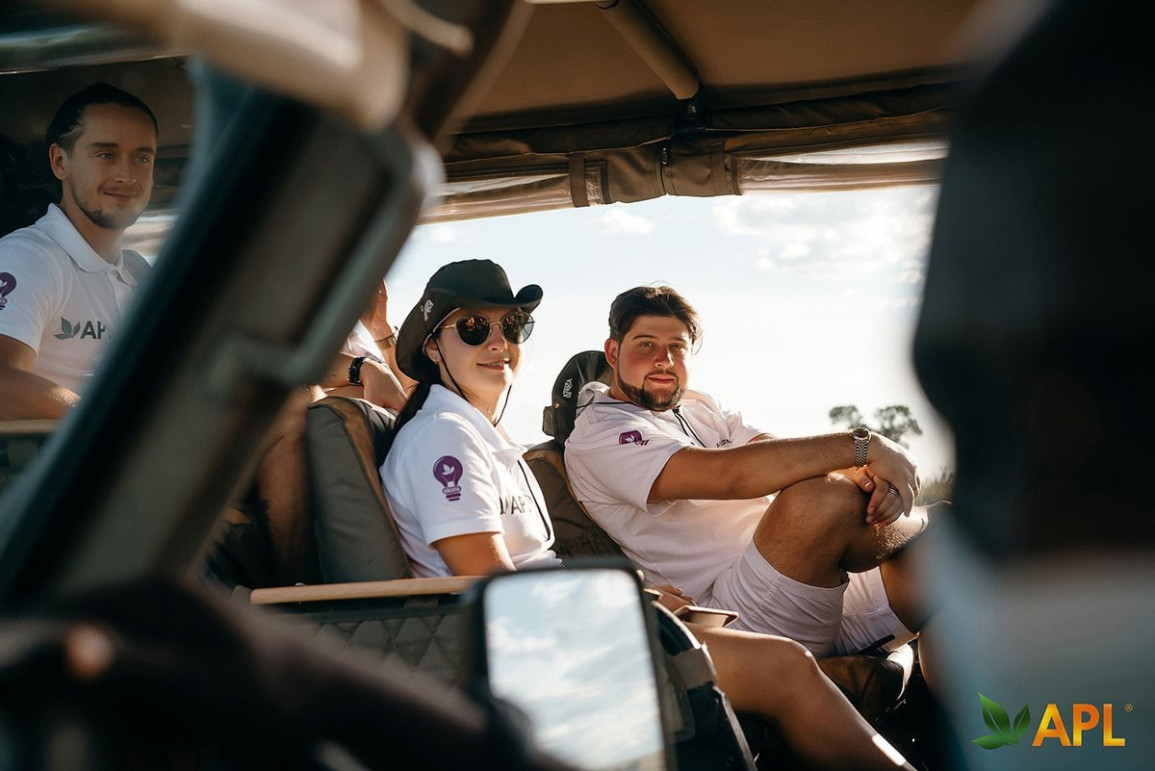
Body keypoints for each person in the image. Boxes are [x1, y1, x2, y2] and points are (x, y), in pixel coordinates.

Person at [379, 259, 916, 771]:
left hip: (567, 627)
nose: (499, 343)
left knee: (895, 556)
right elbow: (493, 584)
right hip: (544, 650)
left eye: (513, 326)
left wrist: (639, 593)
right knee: (786, 666)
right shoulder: (443, 437)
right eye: (474, 328)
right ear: (433, 347)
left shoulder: (480, 436)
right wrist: (622, 603)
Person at [564, 285, 934, 658]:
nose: (664, 360)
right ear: (613, 352)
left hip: (804, 567)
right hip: (733, 612)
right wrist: (864, 447)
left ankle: (967, 706)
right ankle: (918, 523)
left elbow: (772, 452)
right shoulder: (600, 434)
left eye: (677, 347)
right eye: (646, 345)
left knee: (950, 547)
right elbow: (730, 476)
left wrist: (863, 475)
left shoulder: (698, 404)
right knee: (818, 500)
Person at [0, 83, 157, 420]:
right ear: (60, 162)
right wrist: (106, 422)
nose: (127, 175)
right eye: (106, 155)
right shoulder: (28, 257)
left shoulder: (139, 271)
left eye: (142, 158)